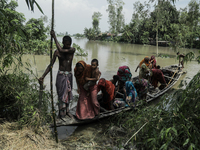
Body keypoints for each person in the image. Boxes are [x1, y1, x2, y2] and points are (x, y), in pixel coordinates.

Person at [38, 30, 75, 119]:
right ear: (62, 43)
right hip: (61, 75)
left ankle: (67, 111)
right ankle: (60, 113)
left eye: (69, 44)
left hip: (69, 75)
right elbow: (51, 65)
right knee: (61, 95)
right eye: (66, 44)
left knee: (68, 93)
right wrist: (43, 76)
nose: (68, 45)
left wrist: (54, 37)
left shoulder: (72, 50)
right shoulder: (57, 52)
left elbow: (61, 49)